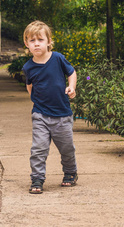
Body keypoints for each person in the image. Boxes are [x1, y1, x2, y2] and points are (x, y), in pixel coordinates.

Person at [22, 20, 78, 194]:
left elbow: (72, 72)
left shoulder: (58, 58)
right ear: (27, 44)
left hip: (62, 114)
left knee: (67, 148)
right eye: (32, 40)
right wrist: (36, 102)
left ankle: (70, 172)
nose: (36, 43)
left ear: (48, 41)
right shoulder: (28, 67)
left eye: (40, 39)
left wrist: (72, 87)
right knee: (38, 149)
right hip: (40, 115)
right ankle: (37, 179)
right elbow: (29, 86)